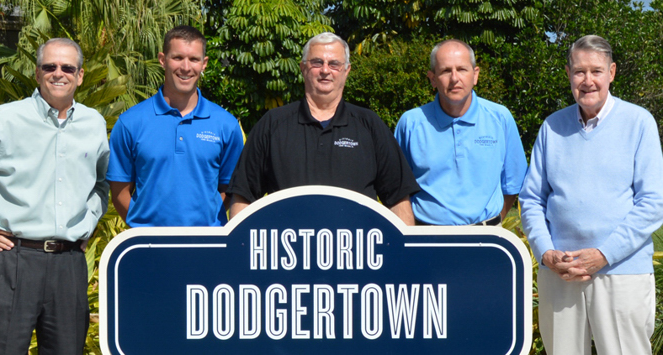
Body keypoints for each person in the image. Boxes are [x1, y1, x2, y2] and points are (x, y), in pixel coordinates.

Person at [0, 38, 109, 354]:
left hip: (69, 265)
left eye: (68, 67)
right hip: (11, 260)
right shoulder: (2, 120)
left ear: (80, 75)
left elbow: (101, 184)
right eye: (50, 66)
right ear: (37, 72)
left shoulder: (93, 124)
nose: (59, 73)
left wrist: (89, 220)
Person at [520, 35, 663, 355]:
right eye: (579, 71)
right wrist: (545, 252)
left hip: (620, 272)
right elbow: (531, 199)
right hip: (561, 273)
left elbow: (653, 203)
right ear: (568, 73)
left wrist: (604, 254)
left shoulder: (639, 123)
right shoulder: (551, 127)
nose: (588, 81)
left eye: (596, 71)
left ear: (611, 72)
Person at [227, 32, 419, 224]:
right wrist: (241, 248)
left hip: (355, 251)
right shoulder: (272, 124)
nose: (325, 70)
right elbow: (243, 196)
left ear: (347, 70)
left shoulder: (369, 125)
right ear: (303, 68)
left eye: (334, 64)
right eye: (317, 62)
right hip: (288, 250)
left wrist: (403, 252)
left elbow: (398, 198)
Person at [108, 25, 244, 227]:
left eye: (194, 59)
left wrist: (202, 222)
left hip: (205, 245)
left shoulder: (226, 125)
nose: (186, 67)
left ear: (204, 64)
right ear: (162, 60)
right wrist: (144, 229)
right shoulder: (131, 122)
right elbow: (119, 190)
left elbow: (230, 189)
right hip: (149, 247)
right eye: (178, 58)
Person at [394, 39, 527, 226]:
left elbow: (512, 185)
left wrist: (490, 225)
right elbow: (397, 190)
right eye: (446, 71)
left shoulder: (500, 118)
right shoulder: (411, 123)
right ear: (432, 78)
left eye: (462, 69)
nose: (455, 78)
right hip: (427, 239)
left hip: (486, 239)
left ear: (475, 75)